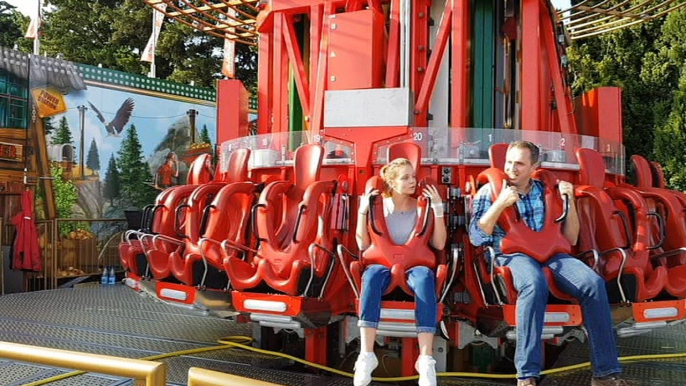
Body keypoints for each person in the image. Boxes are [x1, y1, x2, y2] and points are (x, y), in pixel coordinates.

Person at [469, 141, 633, 386]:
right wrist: (501, 203)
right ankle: (527, 375)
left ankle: (605, 374)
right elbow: (476, 236)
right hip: (513, 254)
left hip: (551, 254)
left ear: (534, 166)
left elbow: (571, 237)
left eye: (520, 164)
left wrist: (570, 200)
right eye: (509, 162)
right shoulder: (490, 191)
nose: (512, 168)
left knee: (593, 283)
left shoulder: (547, 192)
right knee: (534, 283)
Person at [353, 158, 447, 386]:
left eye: (413, 177)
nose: (412, 181)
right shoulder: (379, 208)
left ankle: (425, 359)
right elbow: (362, 244)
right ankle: (366, 355)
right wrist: (362, 213)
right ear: (392, 183)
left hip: (415, 264)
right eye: (405, 178)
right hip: (383, 264)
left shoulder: (421, 207)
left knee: (425, 278)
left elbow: (440, 244)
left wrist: (438, 210)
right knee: (371, 276)